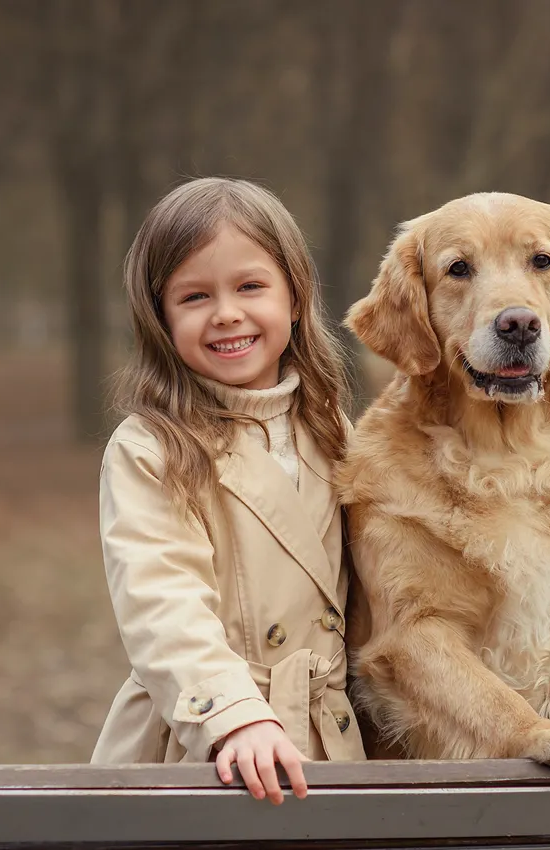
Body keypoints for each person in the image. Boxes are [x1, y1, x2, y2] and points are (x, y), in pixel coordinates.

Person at [89, 177, 368, 804]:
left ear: (295, 298)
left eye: (249, 286)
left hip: (331, 737)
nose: (226, 313)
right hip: (203, 744)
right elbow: (161, 599)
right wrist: (234, 715)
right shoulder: (152, 447)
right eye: (194, 296)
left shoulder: (329, 427)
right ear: (160, 317)